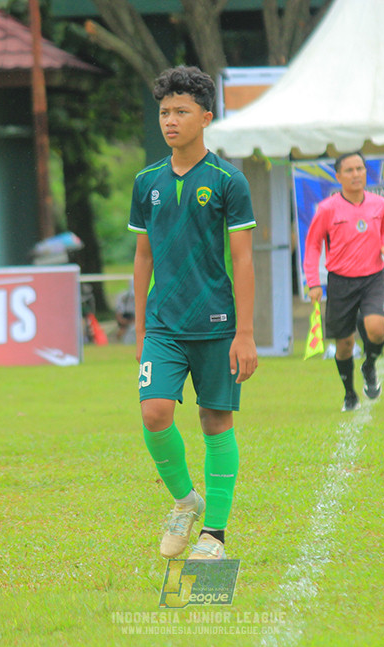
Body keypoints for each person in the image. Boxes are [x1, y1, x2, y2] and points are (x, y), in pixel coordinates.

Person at [128, 66, 257, 562]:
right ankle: (185, 501)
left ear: (206, 117)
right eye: (164, 112)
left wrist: (244, 333)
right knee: (154, 411)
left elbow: (243, 259)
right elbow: (143, 258)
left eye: (181, 111)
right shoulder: (146, 182)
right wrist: (141, 329)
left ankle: (214, 536)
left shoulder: (229, 180)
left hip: (216, 323)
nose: (171, 120)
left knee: (214, 419)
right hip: (163, 323)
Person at [303, 152, 384, 412]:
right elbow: (312, 246)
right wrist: (313, 282)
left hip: (373, 278)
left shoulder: (379, 204)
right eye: (350, 170)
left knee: (377, 329)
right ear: (338, 176)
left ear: (366, 172)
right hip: (341, 281)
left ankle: (369, 365)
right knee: (344, 346)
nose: (356, 174)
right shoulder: (327, 209)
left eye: (360, 169)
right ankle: (349, 393)